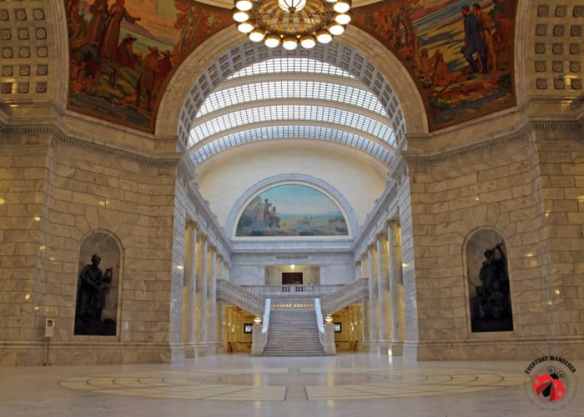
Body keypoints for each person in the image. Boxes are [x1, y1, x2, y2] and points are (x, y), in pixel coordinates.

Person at [461, 5, 487, 74]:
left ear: (465, 11)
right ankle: (484, 69)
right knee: (482, 53)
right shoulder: (475, 16)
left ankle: (475, 68)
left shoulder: (466, 20)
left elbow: (467, 33)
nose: (461, 13)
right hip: (479, 39)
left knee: (467, 54)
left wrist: (466, 43)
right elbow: (480, 26)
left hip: (474, 41)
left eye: (462, 12)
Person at [473, 4, 497, 73]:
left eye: (474, 10)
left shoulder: (483, 15)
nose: (473, 11)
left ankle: (494, 67)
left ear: (477, 9)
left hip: (487, 36)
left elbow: (488, 25)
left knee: (491, 52)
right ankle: (488, 68)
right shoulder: (477, 17)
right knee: (486, 53)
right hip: (483, 37)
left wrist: (488, 32)